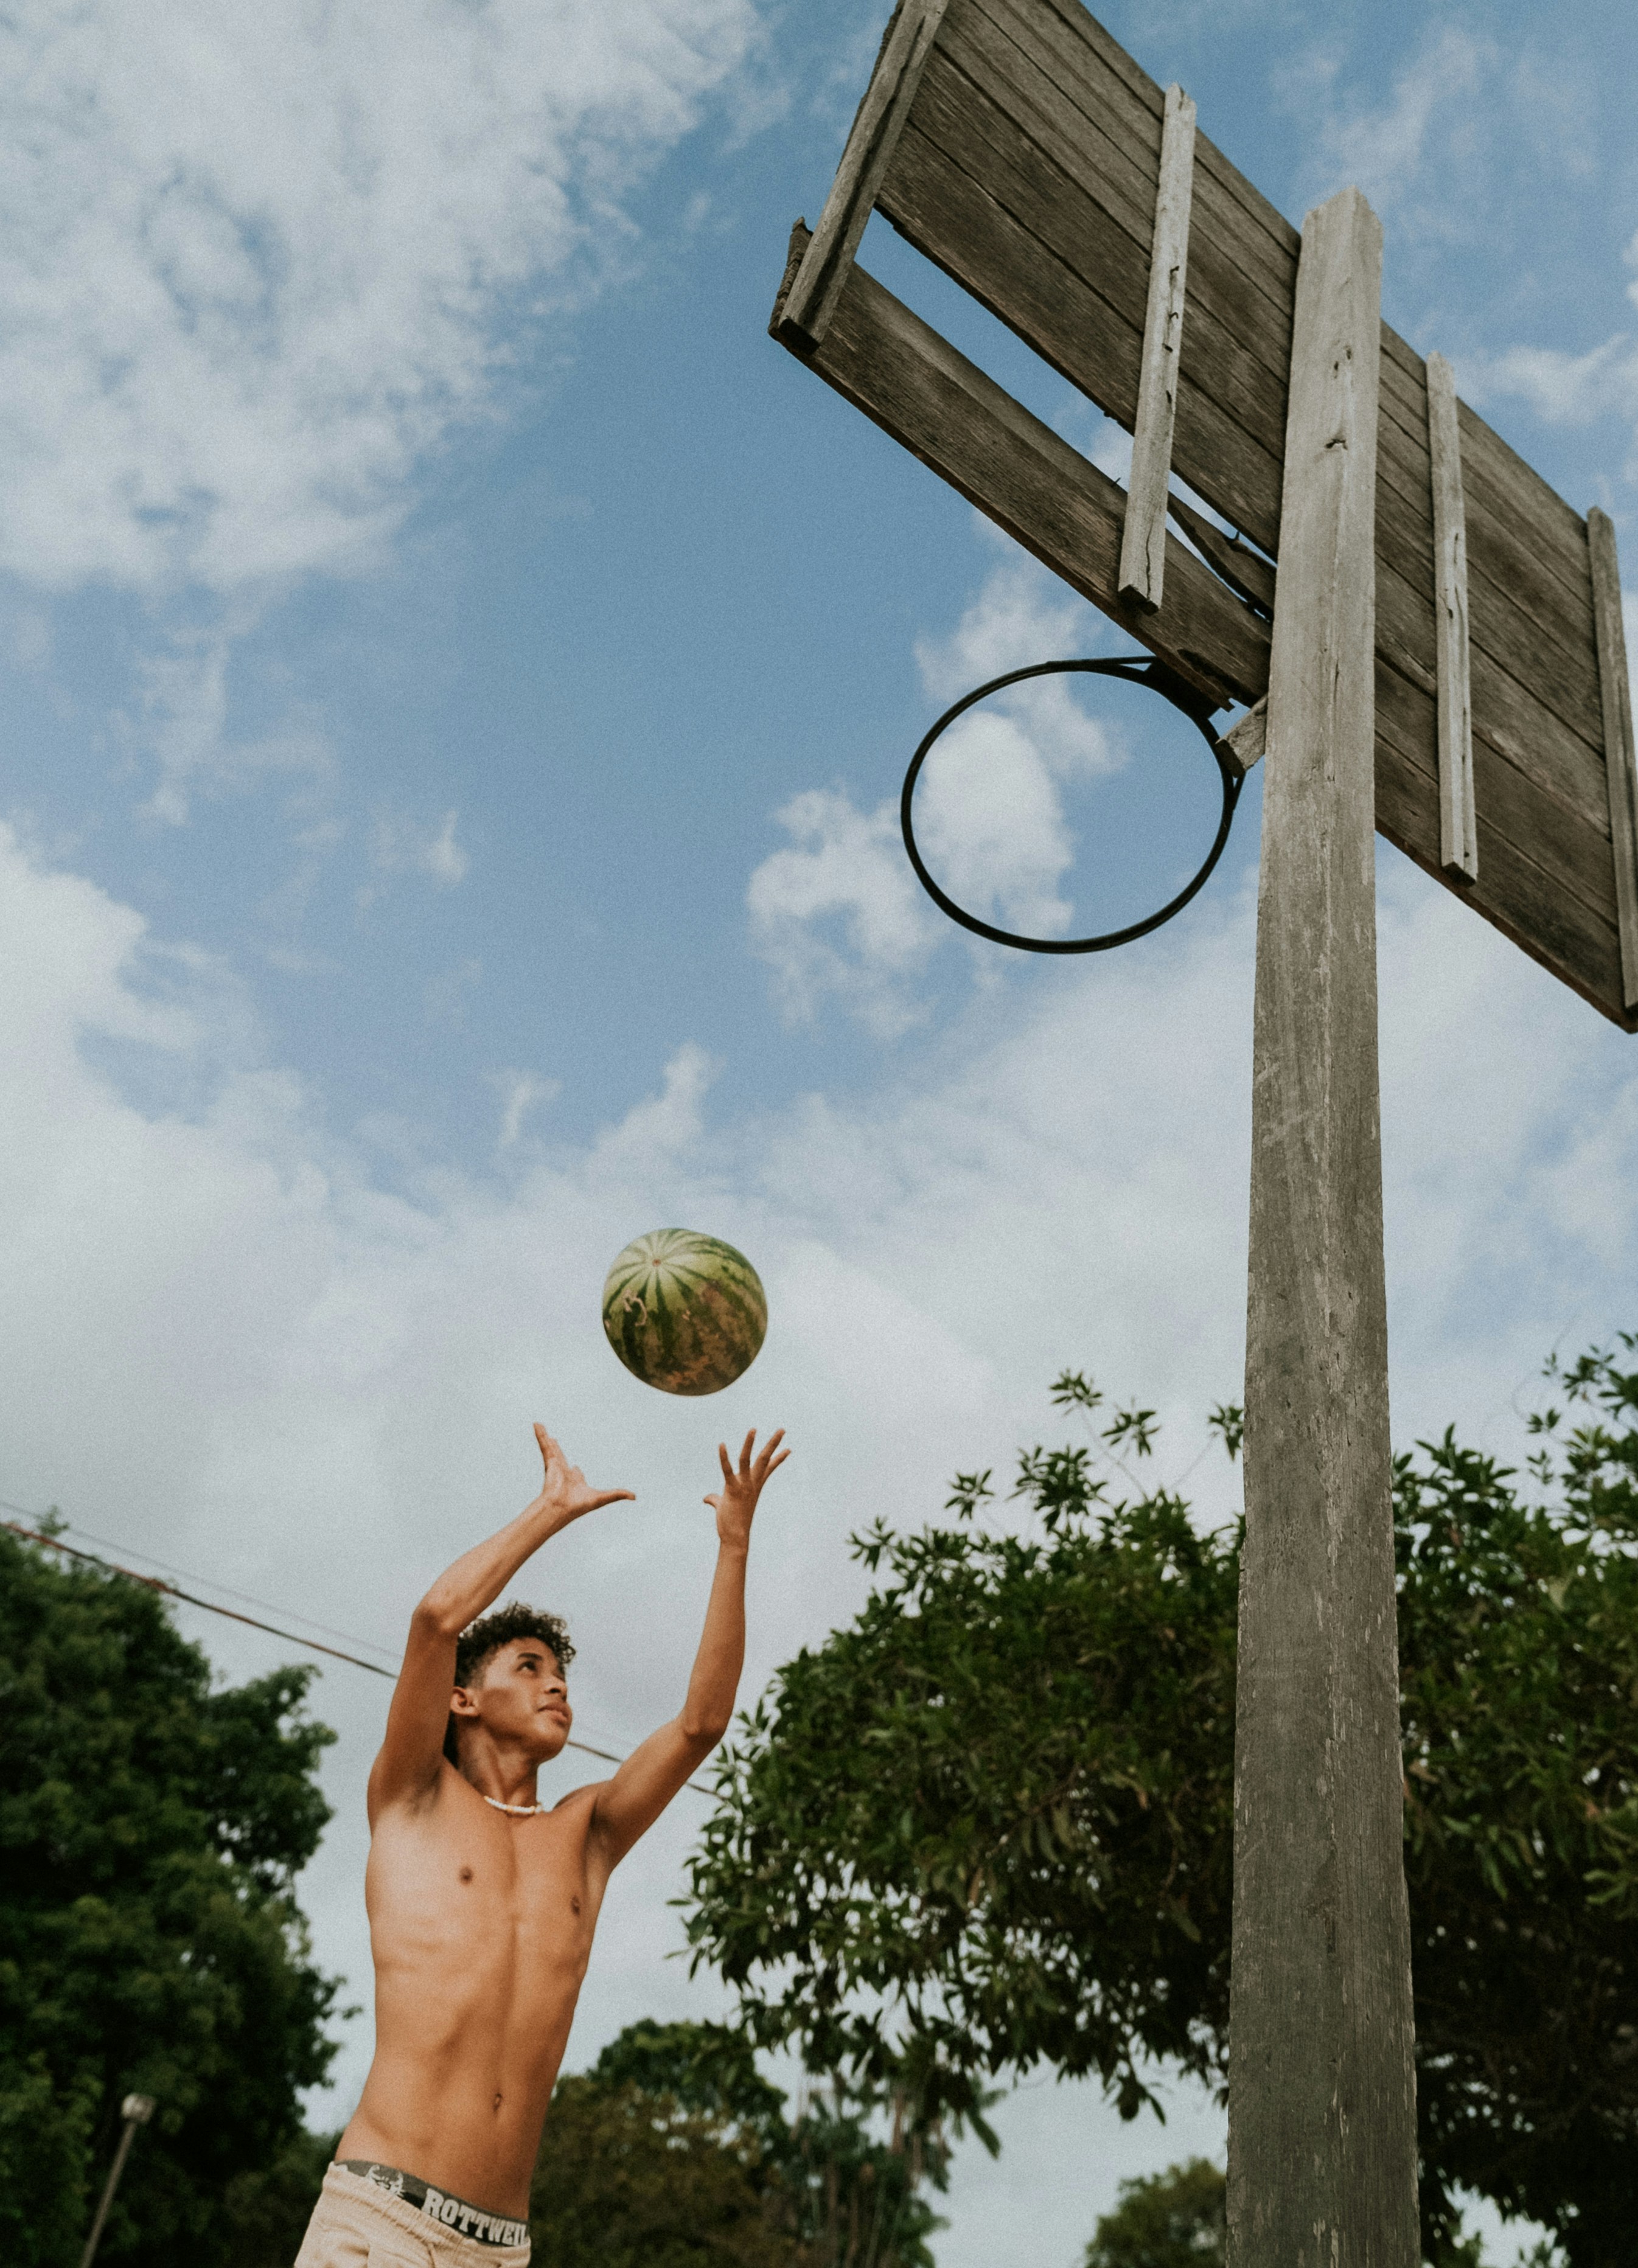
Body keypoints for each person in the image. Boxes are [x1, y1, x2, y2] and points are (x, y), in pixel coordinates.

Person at [294, 1419, 789, 2267]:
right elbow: (436, 1620)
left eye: (559, 1673)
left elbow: (702, 1724)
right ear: (463, 1701)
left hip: (500, 2249)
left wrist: (734, 1546)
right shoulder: (412, 1795)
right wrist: (551, 1510)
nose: (556, 1684)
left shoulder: (586, 1834)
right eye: (528, 1668)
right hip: (379, 2219)